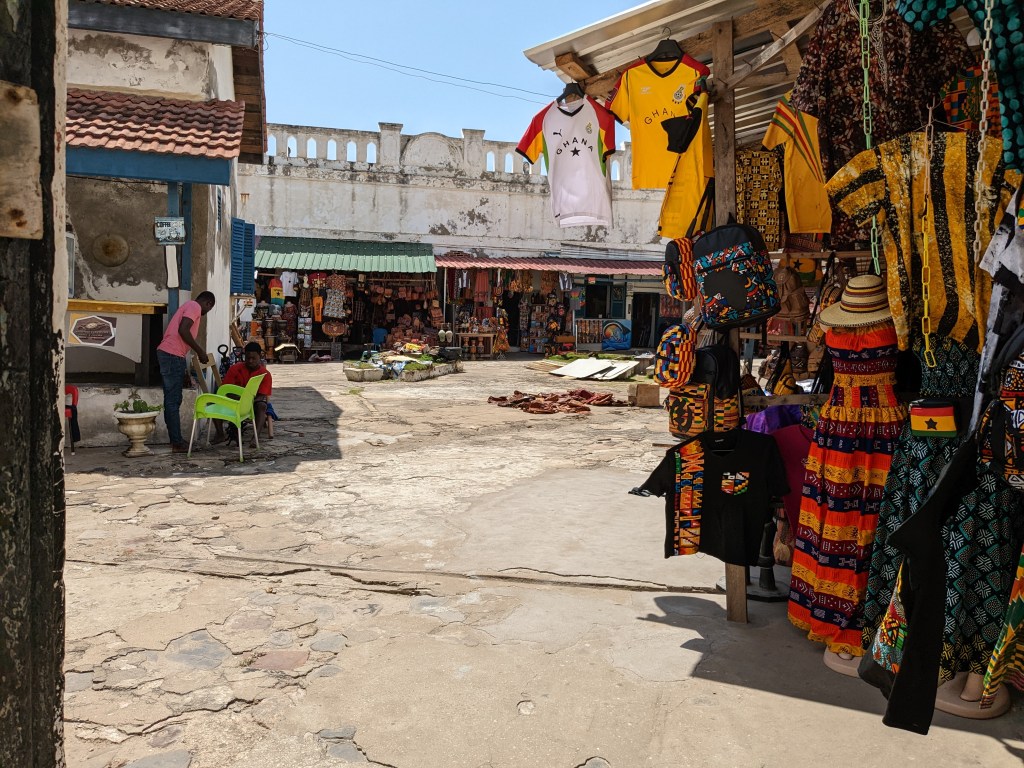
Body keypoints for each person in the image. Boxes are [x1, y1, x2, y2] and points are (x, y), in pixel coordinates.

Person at [157, 291, 215, 453]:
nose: (205, 313)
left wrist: (185, 370)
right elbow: (183, 330)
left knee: (173, 399)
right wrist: (200, 351)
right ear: (208, 303)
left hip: (173, 355)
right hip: (171, 354)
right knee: (172, 400)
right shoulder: (194, 306)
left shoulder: (189, 306)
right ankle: (176, 442)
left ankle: (176, 439)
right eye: (208, 310)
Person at [222, 341, 273, 446]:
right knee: (215, 401)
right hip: (234, 401)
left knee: (262, 406)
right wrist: (239, 400)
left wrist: (247, 402)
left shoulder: (265, 374)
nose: (250, 361)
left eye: (253, 358)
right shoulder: (234, 369)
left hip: (253, 403)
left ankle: (255, 437)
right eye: (248, 358)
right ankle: (219, 434)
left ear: (260, 356)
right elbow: (225, 390)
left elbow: (261, 396)